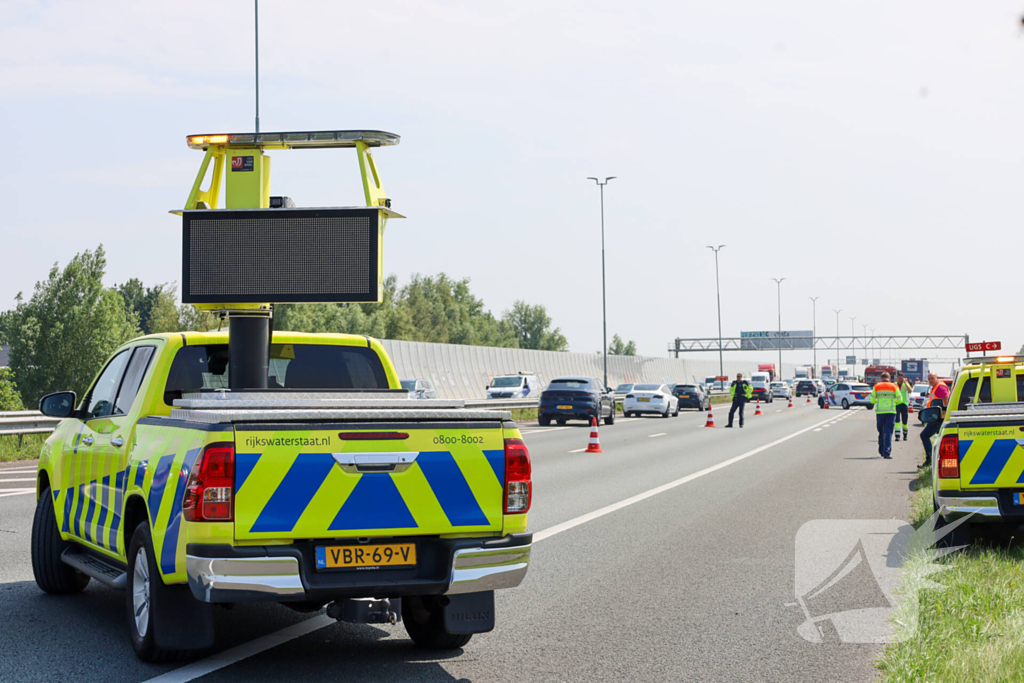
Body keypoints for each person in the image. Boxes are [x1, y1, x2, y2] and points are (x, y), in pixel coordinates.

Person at [869, 372, 903, 459]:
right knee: (888, 432)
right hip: (891, 412)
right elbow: (900, 400)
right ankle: (886, 452)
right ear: (889, 377)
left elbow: (872, 401)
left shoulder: (876, 386)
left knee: (881, 432)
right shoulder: (894, 386)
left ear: (881, 378)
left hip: (880, 412)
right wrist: (893, 402)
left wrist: (879, 401)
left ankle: (881, 450)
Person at [920, 373, 950, 467]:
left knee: (924, 435)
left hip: (940, 417)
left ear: (937, 378)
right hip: (936, 417)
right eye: (929, 379)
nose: (930, 380)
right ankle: (935, 461)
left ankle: (929, 460)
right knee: (938, 439)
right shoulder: (936, 387)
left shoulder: (940, 387)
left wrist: (943, 410)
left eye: (932, 378)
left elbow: (946, 399)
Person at [894, 371, 912, 442]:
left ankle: (905, 435)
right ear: (897, 378)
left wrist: (905, 383)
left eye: (901, 378)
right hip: (897, 404)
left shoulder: (906, 384)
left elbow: (910, 391)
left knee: (905, 421)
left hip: (904, 404)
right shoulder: (894, 385)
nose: (900, 379)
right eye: (899, 378)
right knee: (897, 420)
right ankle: (897, 436)